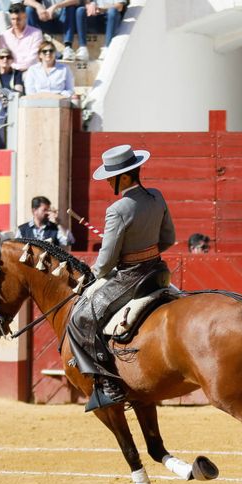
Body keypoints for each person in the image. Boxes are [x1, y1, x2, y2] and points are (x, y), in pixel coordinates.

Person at [68, 145, 177, 410]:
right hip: (158, 271)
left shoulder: (118, 210)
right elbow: (169, 238)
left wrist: (94, 274)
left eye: (110, 176)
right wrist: (146, 252)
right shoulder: (157, 196)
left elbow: (106, 260)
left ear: (125, 178)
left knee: (80, 317)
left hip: (131, 278)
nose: (107, 181)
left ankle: (108, 384)